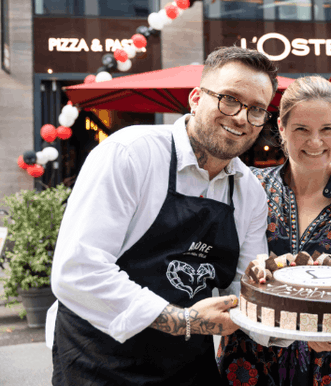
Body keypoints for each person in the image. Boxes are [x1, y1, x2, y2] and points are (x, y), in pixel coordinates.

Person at [48, 47, 278, 385]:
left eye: (257, 109)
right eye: (229, 99)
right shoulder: (130, 154)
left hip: (185, 365)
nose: (242, 118)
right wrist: (183, 319)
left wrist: (302, 326)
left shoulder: (250, 192)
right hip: (98, 360)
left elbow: (248, 289)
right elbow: (78, 270)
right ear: (196, 98)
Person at [217, 76, 331, 386]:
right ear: (282, 131)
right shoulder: (250, 187)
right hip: (253, 363)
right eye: (302, 129)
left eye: (326, 129)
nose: (315, 142)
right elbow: (229, 275)